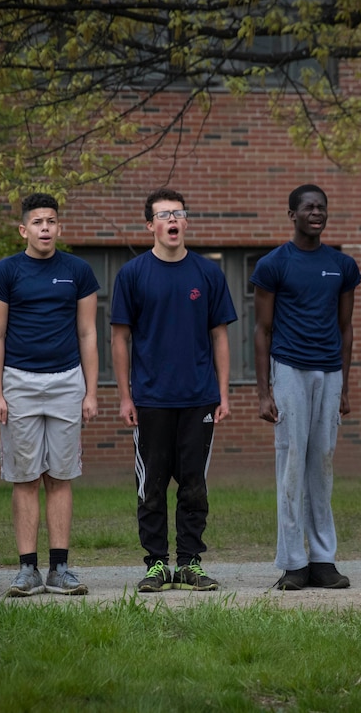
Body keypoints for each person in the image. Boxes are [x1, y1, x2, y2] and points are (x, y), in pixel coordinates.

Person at [110, 188, 236, 593]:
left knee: (194, 484)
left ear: (185, 222)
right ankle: (157, 565)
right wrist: (125, 397)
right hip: (150, 400)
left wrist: (224, 393)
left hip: (199, 397)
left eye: (179, 213)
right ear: (151, 225)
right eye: (164, 215)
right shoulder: (132, 275)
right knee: (151, 487)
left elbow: (219, 337)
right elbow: (119, 338)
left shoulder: (208, 273)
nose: (173, 220)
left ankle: (190, 564)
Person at [0, 193, 99, 597]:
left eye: (51, 221)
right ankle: (27, 571)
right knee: (25, 476)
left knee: (61, 475)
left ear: (59, 228)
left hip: (68, 380)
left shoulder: (78, 271)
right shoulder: (5, 272)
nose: (45, 228)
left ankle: (61, 569)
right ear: (24, 229)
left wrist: (89, 390)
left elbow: (88, 333)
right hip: (19, 382)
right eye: (37, 222)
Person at [252, 184, 361, 591]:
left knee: (323, 465)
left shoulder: (342, 265)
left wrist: (345, 386)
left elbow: (346, 328)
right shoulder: (273, 264)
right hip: (289, 370)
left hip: (329, 373)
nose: (317, 213)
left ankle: (322, 560)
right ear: (292, 215)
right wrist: (264, 392)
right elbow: (262, 331)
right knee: (293, 463)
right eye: (308, 207)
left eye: (322, 207)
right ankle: (293, 563)